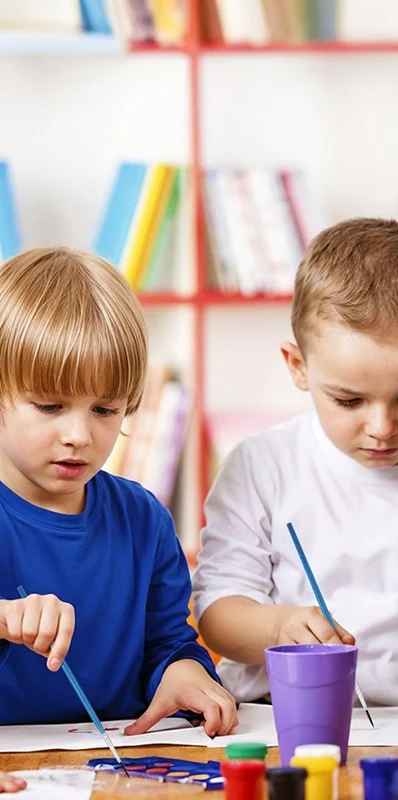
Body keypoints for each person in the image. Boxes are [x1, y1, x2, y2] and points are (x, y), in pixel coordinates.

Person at [193, 218, 398, 729]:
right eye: (348, 400)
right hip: (275, 720)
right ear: (297, 366)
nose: (382, 427)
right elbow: (217, 610)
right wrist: (280, 625)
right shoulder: (259, 466)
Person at [0, 249, 237, 759]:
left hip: (122, 765)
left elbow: (167, 641)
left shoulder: (143, 518)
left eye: (105, 409)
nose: (79, 435)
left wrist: (183, 674)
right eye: (49, 406)